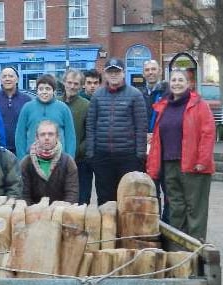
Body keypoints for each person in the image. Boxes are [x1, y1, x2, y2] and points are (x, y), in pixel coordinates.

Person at [146, 69, 215, 241]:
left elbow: (208, 134)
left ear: (188, 84)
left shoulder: (199, 105)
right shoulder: (164, 106)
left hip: (193, 165)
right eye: (174, 80)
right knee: (176, 206)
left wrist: (202, 160)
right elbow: (157, 138)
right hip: (169, 163)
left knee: (195, 208)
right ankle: (179, 244)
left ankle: (196, 245)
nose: (176, 83)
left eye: (180, 80)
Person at [85, 58, 148, 205]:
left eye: (117, 71)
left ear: (123, 73)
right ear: (105, 75)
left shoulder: (135, 95)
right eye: (110, 72)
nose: (114, 75)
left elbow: (141, 126)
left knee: (128, 198)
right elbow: (90, 126)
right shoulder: (97, 96)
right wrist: (91, 154)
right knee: (105, 198)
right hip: (103, 157)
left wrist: (139, 155)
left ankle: (126, 228)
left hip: (128, 157)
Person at [15, 74, 76, 160]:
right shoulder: (27, 108)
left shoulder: (63, 108)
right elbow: (20, 136)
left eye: (48, 89)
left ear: (54, 91)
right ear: (37, 91)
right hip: (33, 159)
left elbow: (70, 136)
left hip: (59, 159)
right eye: (41, 89)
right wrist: (22, 159)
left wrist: (69, 159)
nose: (44, 92)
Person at [21, 120, 78, 205]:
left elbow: (72, 195)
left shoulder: (68, 162)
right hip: (33, 213)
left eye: (51, 134)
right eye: (42, 134)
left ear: (57, 137)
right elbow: (24, 196)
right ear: (36, 138)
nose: (46, 137)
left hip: (61, 212)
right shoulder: (26, 163)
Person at [142, 59, 170, 221]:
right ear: (144, 73)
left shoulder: (168, 93)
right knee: (151, 190)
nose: (151, 72)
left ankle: (168, 226)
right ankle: (154, 224)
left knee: (168, 190)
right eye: (147, 70)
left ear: (159, 71)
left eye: (153, 69)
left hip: (164, 148)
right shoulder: (140, 93)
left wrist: (156, 133)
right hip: (145, 147)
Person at [62, 69, 92, 204]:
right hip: (59, 161)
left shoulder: (86, 105)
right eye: (69, 82)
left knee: (81, 200)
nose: (72, 86)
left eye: (76, 84)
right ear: (64, 83)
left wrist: (77, 150)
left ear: (81, 86)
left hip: (80, 162)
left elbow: (91, 134)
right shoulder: (56, 103)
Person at [0, 66, 32, 154]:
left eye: (11, 76)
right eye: (4, 76)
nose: (7, 79)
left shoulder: (27, 100)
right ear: (0, 80)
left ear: (17, 79)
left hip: (21, 149)